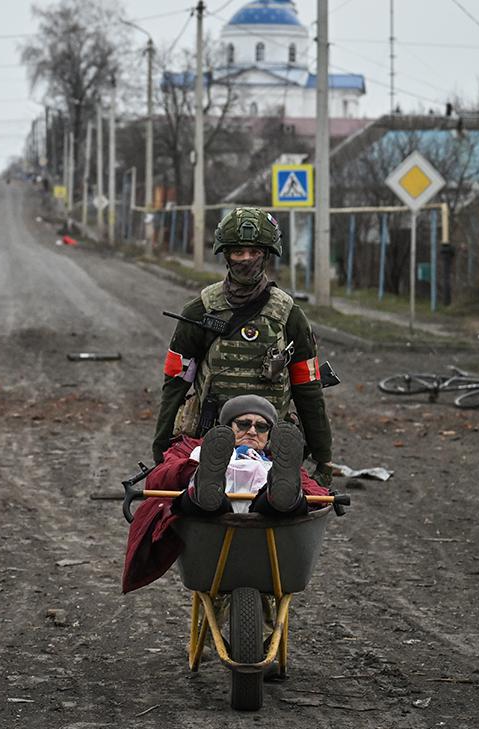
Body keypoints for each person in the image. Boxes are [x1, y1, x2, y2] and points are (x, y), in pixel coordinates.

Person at [153, 207, 333, 488]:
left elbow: (308, 390)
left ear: (267, 254)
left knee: (285, 489)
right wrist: (161, 448)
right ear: (226, 255)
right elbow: (175, 384)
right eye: (238, 252)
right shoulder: (200, 311)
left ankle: (276, 484)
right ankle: (209, 479)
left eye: (254, 251)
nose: (246, 259)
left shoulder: (289, 316)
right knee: (185, 477)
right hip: (210, 438)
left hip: (268, 441)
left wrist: (324, 458)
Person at [123, 395, 329, 593]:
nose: (252, 431)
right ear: (227, 427)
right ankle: (206, 484)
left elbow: (314, 490)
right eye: (243, 424)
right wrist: (192, 469)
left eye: (262, 427)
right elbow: (157, 479)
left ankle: (282, 495)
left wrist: (313, 497)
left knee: (281, 499)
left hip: (265, 514)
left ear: (269, 436)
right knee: (207, 499)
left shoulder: (277, 460)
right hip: (215, 515)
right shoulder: (195, 449)